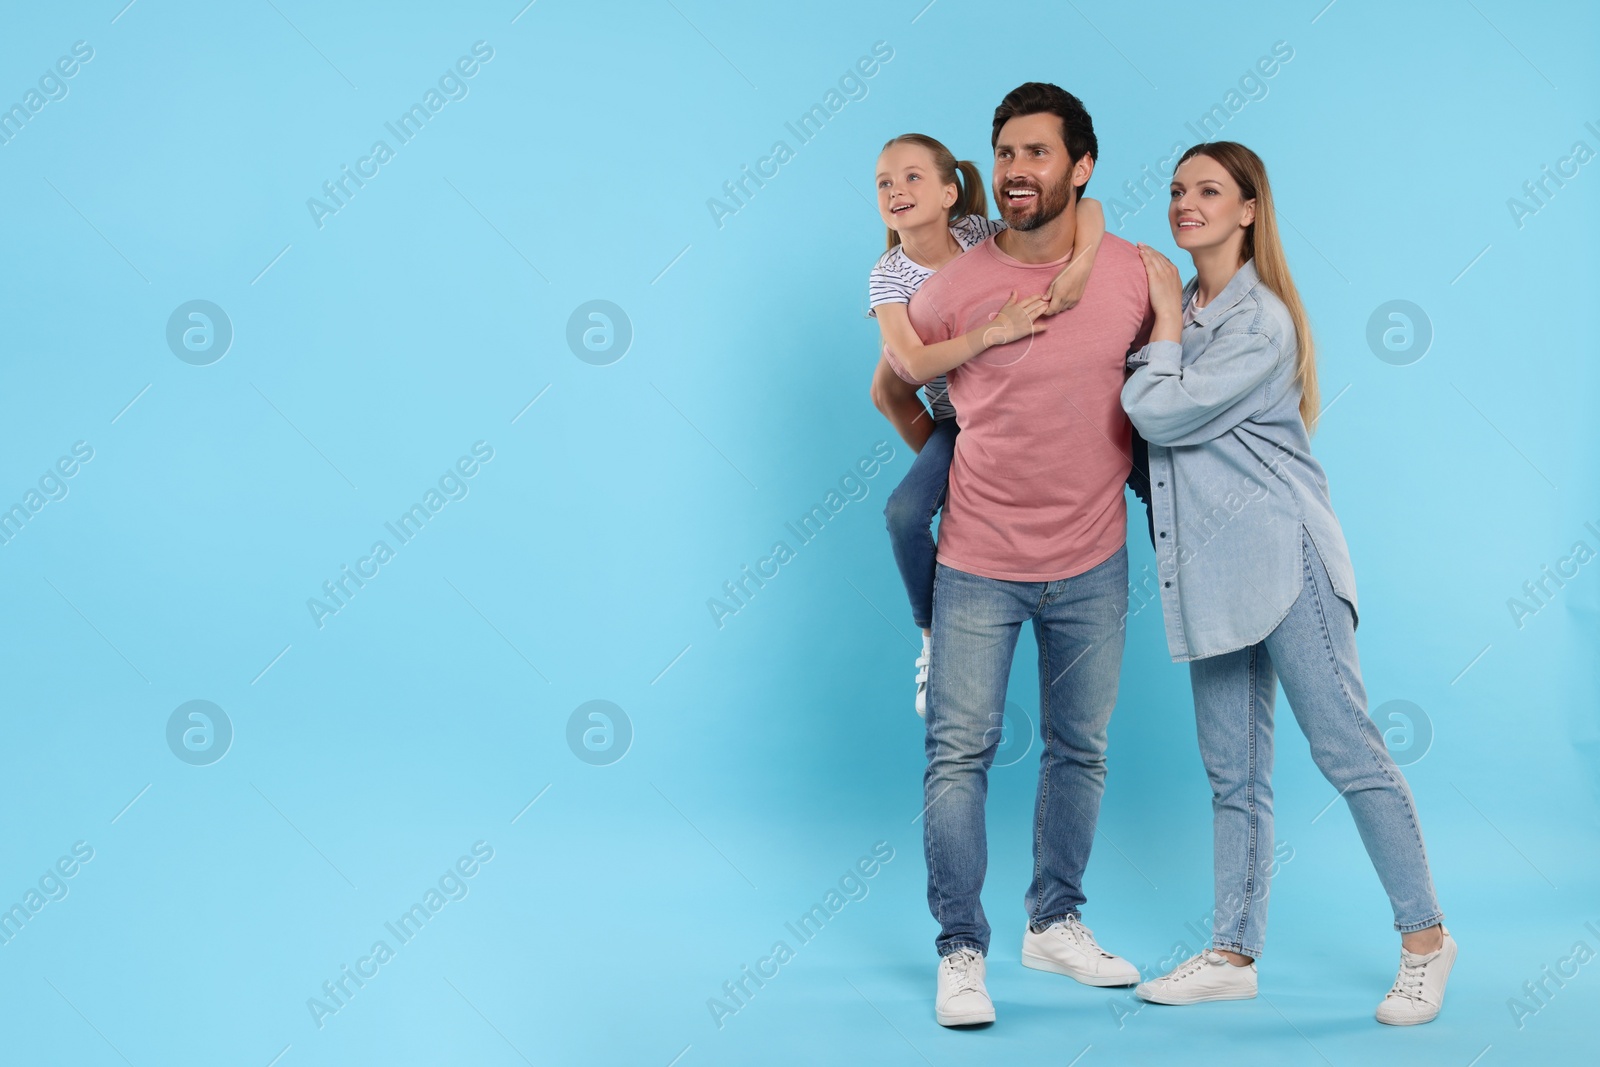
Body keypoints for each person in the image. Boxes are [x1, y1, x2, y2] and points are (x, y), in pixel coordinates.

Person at [1121, 142, 1455, 1025]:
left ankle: (1425, 940)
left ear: (1248, 210)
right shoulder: (1183, 309)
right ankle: (1232, 949)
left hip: (1284, 559)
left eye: (1208, 191)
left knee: (1348, 749)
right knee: (1232, 773)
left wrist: (1156, 323)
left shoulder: (1258, 322)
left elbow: (1156, 410)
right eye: (1177, 190)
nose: (1186, 203)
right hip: (1207, 576)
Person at [876, 83, 1154, 1028]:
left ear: (1081, 167)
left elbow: (1176, 402)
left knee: (1082, 749)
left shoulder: (1131, 272)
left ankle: (1056, 922)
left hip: (1093, 561)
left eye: (1036, 153)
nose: (1014, 171)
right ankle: (961, 947)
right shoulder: (947, 288)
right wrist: (944, 466)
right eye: (1004, 153)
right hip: (978, 561)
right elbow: (896, 382)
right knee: (958, 754)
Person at [867, 133, 1104, 716]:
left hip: (1023, 407)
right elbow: (912, 365)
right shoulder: (888, 277)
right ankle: (932, 639)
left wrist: (1082, 265)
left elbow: (1089, 208)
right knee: (903, 513)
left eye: (912, 177)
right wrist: (990, 335)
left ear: (951, 193)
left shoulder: (977, 234)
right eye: (883, 183)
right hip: (959, 421)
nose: (896, 189)